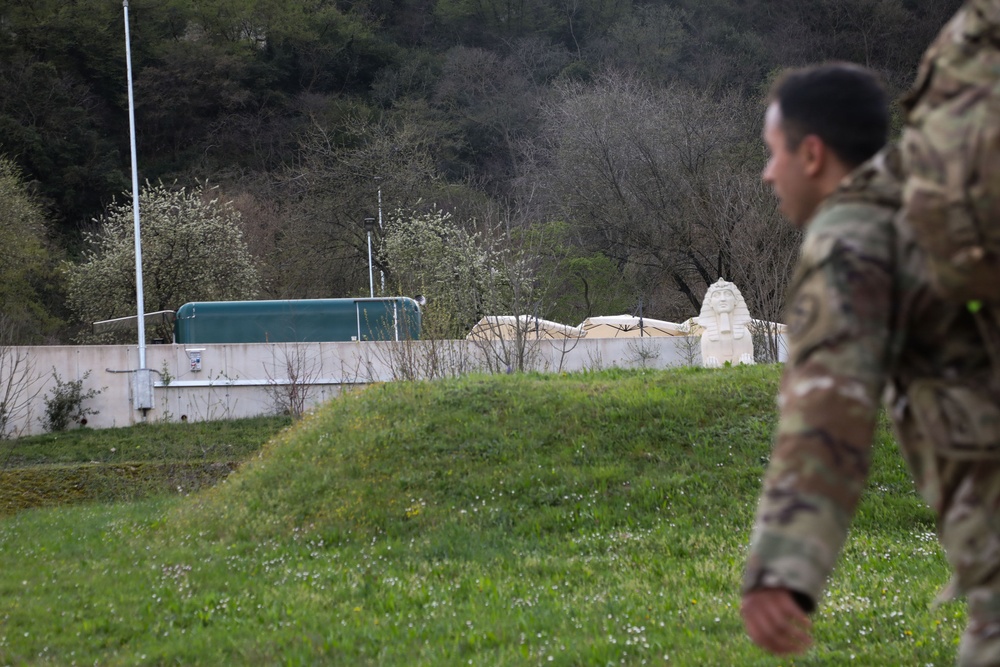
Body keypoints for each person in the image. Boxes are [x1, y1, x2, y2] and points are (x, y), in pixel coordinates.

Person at [741, 61, 998, 665]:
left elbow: (829, 404)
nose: (766, 173)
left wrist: (783, 565)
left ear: (812, 154)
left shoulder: (852, 235)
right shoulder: (942, 199)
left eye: (773, 153)